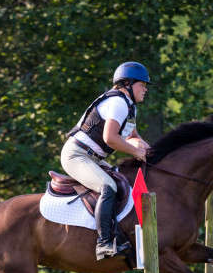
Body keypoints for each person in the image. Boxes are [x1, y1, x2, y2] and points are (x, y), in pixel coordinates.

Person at [62, 61, 151, 260]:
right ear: (127, 83)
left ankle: (118, 235)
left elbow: (132, 136)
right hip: (76, 154)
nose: (145, 90)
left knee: (123, 183)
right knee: (108, 186)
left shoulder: (129, 107)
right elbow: (110, 138)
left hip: (93, 158)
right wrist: (136, 153)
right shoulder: (118, 103)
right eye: (142, 85)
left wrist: (150, 151)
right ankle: (103, 243)